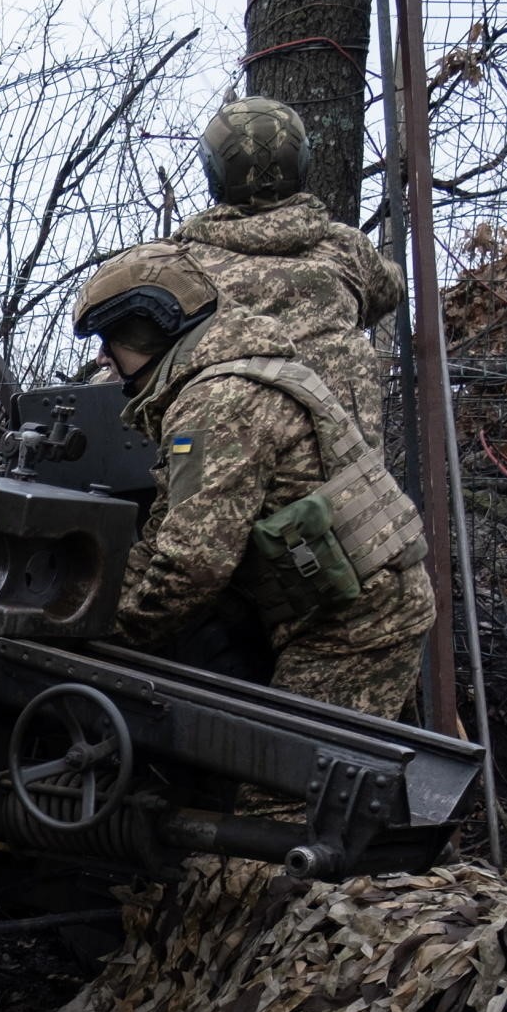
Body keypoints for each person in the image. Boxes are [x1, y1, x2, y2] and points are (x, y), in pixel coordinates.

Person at [74, 241, 433, 721]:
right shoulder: (229, 379)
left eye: (109, 340)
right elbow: (168, 534)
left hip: (354, 623)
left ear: (146, 331)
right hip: (357, 603)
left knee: (287, 793)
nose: (104, 358)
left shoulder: (216, 404)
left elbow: (191, 567)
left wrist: (94, 630)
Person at [168, 96, 405, 451]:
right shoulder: (347, 249)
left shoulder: (180, 264)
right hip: (347, 483)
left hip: (223, 474)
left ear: (213, 172)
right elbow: (391, 288)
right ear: (302, 163)